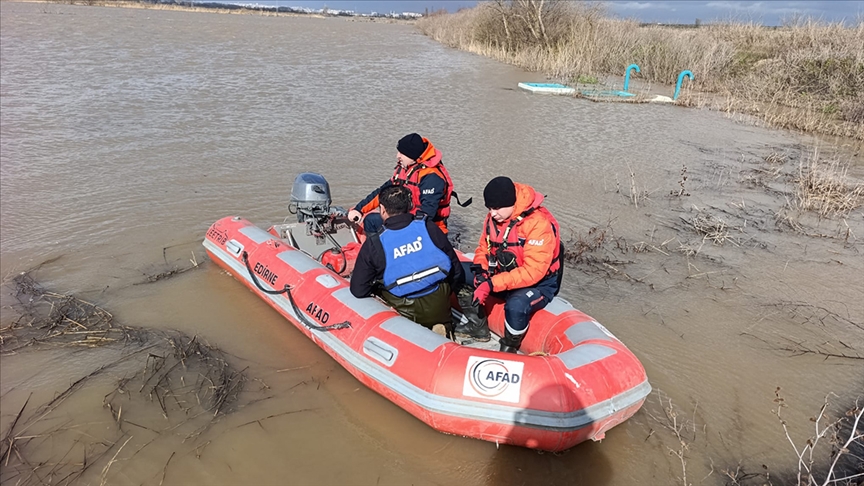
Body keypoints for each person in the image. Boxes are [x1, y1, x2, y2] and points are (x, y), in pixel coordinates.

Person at [454, 176, 563, 353]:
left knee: (516, 307)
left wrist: (490, 284)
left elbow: (532, 272)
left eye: (497, 208)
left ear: (511, 204)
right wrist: (481, 272)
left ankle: (510, 347)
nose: (492, 213)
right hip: (500, 273)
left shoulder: (538, 224)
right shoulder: (492, 220)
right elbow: (484, 248)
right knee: (455, 271)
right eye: (489, 208)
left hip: (537, 283)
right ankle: (477, 327)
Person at [350, 185, 465, 332]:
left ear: (382, 209)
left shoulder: (375, 242)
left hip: (405, 309)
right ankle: (441, 325)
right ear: (410, 205)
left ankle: (409, 331)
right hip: (440, 304)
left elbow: (358, 290)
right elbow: (456, 270)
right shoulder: (429, 227)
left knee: (377, 285)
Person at [348, 133, 457, 235]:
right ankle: (375, 251)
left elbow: (428, 213)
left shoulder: (431, 177)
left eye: (402, 153)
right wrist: (359, 209)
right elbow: (383, 193)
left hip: (428, 228)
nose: (397, 156)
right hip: (406, 220)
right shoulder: (405, 170)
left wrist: (403, 234)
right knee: (371, 220)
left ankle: (382, 251)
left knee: (381, 223)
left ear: (413, 156)